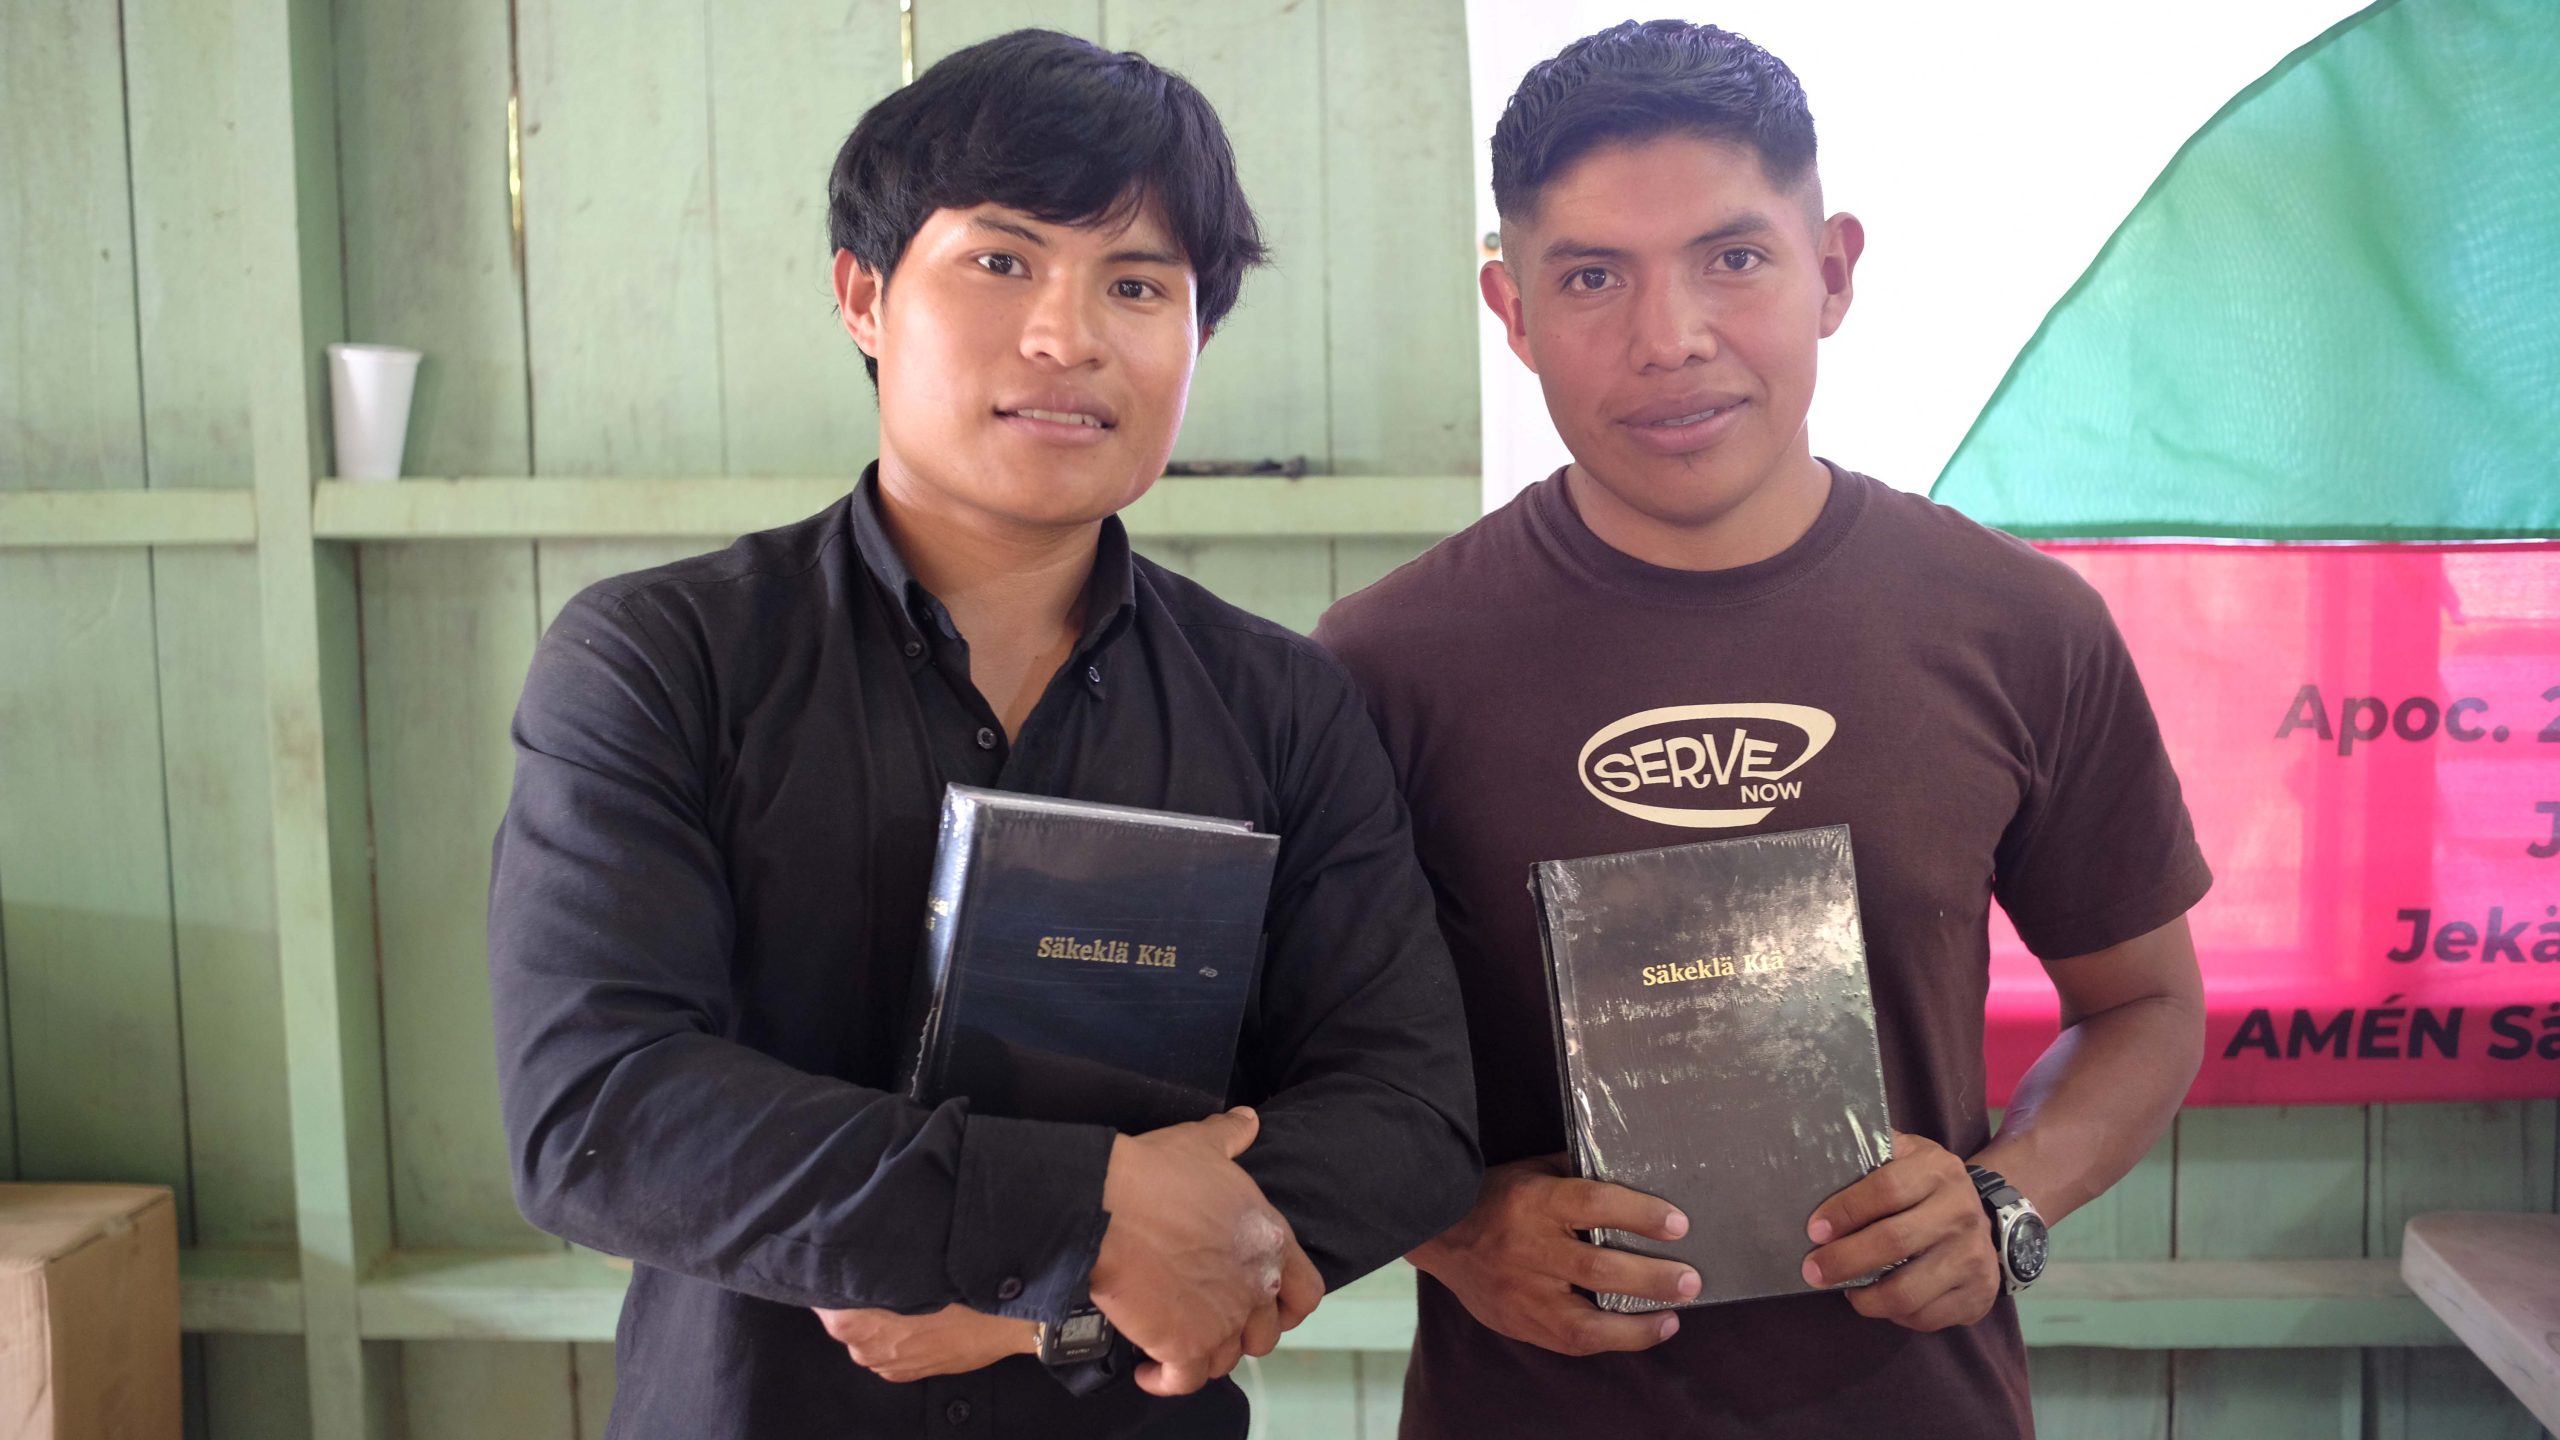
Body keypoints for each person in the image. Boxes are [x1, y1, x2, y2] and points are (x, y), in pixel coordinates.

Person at [488, 29, 1479, 1440]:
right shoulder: (663, 660)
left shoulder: (1281, 703)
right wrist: (1081, 1213)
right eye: (1003, 260)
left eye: (1137, 284)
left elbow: (1408, 1120)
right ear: (864, 296)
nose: (1068, 336)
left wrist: (1049, 1298)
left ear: (1196, 336)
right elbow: (599, 1114)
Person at [1314, 20, 2210, 1439]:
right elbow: (1295, 1069)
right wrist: (1457, 1228)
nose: (1671, 338)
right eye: (1592, 277)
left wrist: (2007, 1197)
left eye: (1733, 258)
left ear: (1833, 271)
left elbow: (2146, 1007)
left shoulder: (2021, 624)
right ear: (1512, 310)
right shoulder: (1380, 665)